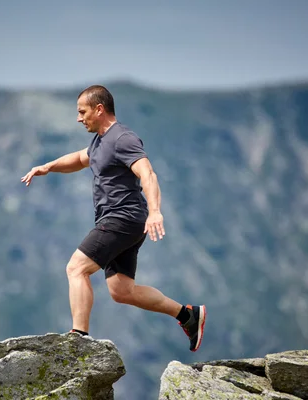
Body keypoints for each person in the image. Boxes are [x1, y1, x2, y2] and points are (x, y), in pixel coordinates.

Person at [21, 85, 206, 352]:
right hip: (124, 220)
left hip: (123, 216)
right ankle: (187, 315)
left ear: (99, 109)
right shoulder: (98, 141)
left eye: (82, 112)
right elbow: (79, 159)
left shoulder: (122, 138)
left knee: (76, 268)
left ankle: (79, 338)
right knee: (121, 291)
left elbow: (148, 174)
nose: (78, 118)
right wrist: (47, 167)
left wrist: (155, 211)